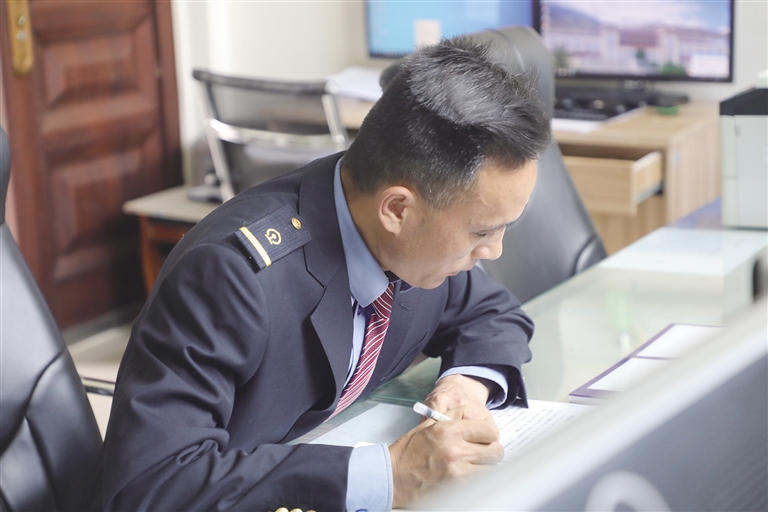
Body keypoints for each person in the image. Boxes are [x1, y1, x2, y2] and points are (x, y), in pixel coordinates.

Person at [91, 36, 551, 511]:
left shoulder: (417, 242)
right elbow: (151, 484)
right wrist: (389, 475)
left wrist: (464, 387)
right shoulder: (230, 276)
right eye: (483, 231)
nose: (493, 250)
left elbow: (494, 313)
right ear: (398, 210)